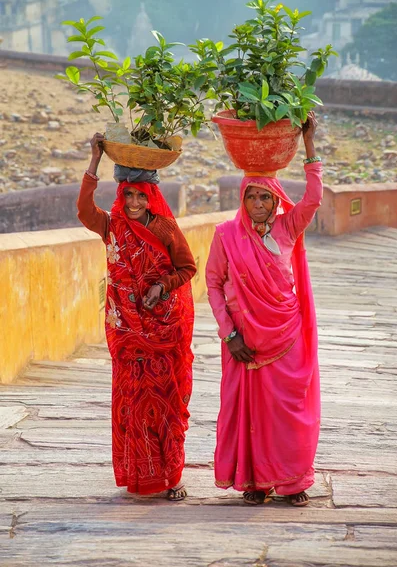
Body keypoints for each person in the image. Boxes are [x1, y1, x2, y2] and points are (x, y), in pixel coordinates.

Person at [205, 112, 322, 507]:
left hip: (285, 334)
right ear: (243, 199)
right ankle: (254, 481)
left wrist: (308, 145)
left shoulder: (289, 228)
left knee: (288, 410)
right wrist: (229, 334)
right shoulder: (225, 236)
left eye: (265, 197)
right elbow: (213, 284)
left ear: (275, 200)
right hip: (244, 341)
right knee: (250, 413)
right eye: (251, 196)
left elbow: (314, 198)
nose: (258, 203)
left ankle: (292, 481)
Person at [77, 133, 196, 500]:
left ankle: (173, 476)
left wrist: (162, 285)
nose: (133, 202)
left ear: (152, 197)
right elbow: (84, 212)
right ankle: (140, 474)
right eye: (128, 194)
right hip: (128, 333)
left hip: (162, 331)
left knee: (166, 402)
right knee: (132, 406)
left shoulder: (164, 228)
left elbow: (187, 268)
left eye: (141, 195)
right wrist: (95, 161)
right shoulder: (112, 225)